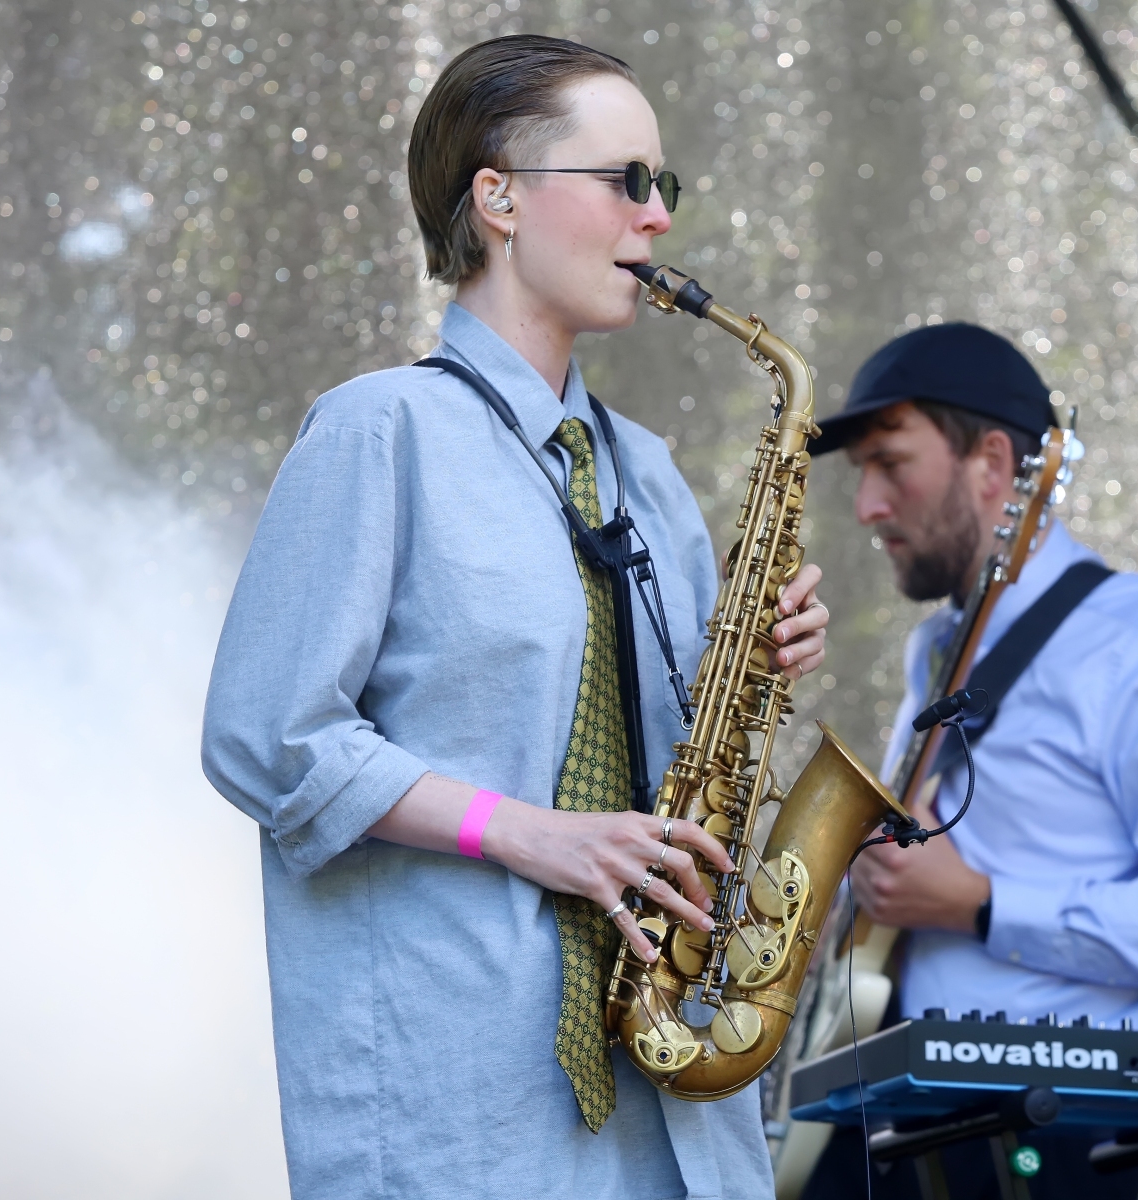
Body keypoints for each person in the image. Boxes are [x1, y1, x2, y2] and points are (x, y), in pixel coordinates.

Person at [201, 35, 828, 1199]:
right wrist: (525, 830)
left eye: (662, 184)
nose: (658, 217)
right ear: (498, 198)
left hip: (671, 1097)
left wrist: (759, 660)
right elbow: (265, 736)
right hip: (464, 1098)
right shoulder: (377, 431)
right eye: (624, 179)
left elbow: (693, 769)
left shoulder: (648, 474)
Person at [800, 324, 1138, 1198]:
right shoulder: (935, 649)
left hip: (1077, 1135)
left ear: (991, 462)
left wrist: (980, 903)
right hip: (907, 1108)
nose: (865, 505)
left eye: (891, 464)